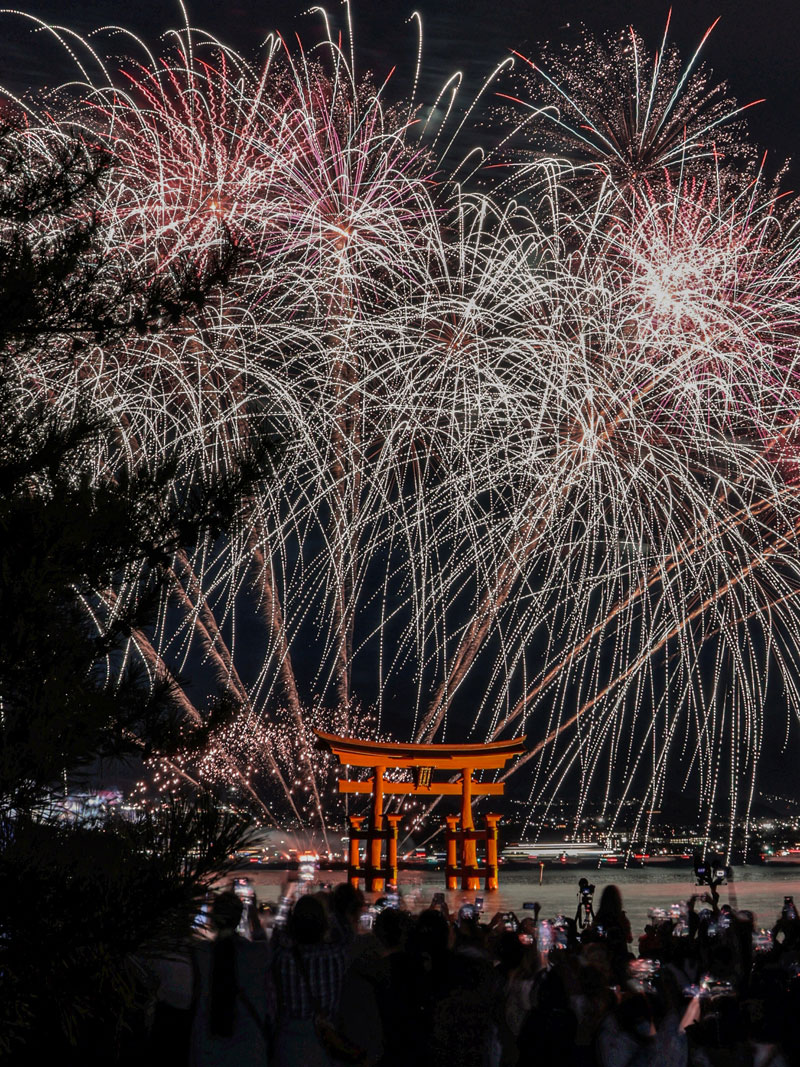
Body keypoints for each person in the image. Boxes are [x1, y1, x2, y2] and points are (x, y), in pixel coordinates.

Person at [189, 890, 272, 1067]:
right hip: (248, 1050)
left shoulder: (200, 954)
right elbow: (263, 941)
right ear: (240, 918)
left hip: (208, 1049)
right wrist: (252, 915)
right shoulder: (257, 954)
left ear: (213, 919)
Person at [271, 892, 353, 1067]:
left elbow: (277, 935)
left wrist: (286, 905)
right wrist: (330, 911)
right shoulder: (336, 957)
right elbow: (346, 934)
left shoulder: (284, 959)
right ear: (324, 925)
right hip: (325, 1042)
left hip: (289, 1044)